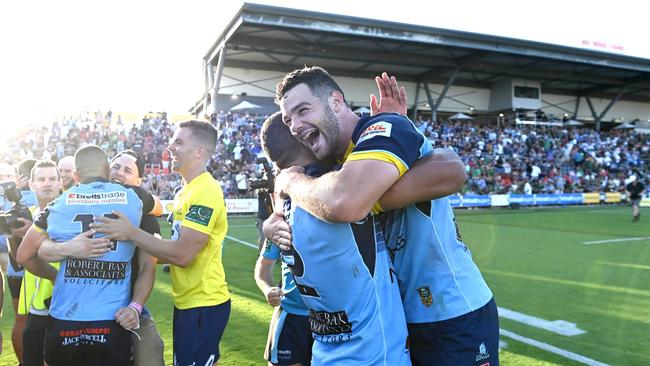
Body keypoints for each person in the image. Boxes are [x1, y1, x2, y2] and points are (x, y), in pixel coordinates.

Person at [274, 67, 498, 366]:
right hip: (400, 321)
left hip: (451, 311)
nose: (296, 126)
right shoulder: (336, 165)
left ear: (336, 102)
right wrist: (274, 220)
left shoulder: (383, 128)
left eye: (303, 110)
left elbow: (346, 203)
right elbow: (336, 200)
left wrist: (289, 183)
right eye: (289, 120)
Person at [93, 120, 230, 366]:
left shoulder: (206, 191)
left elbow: (182, 255)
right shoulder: (184, 191)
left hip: (205, 302)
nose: (170, 147)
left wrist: (132, 233)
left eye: (178, 142)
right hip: (187, 301)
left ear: (199, 151)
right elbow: (167, 251)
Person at [16, 145, 155, 366]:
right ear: (108, 169)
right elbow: (157, 207)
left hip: (65, 317)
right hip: (112, 318)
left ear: (76, 175)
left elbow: (23, 255)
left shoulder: (57, 205)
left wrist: (54, 274)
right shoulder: (134, 199)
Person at [14, 160, 61, 366]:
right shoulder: (28, 213)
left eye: (52, 178)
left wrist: (33, 233)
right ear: (31, 184)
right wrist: (12, 234)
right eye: (41, 179)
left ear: (61, 182)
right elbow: (19, 259)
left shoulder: (67, 212)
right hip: (35, 304)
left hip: (61, 300)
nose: (47, 183)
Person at [4, 158, 38, 365]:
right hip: (36, 265)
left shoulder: (7, 199)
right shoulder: (35, 197)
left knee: (20, 320)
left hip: (14, 266)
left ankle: (22, 362)